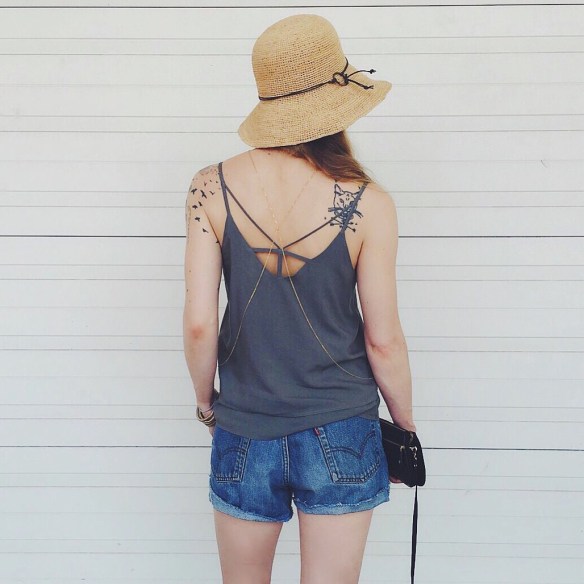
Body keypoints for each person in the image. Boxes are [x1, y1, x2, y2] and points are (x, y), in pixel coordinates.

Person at [183, 14, 417, 584]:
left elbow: (199, 324)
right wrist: (404, 428)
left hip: (244, 426)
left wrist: (208, 404)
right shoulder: (369, 203)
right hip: (343, 427)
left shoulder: (209, 187)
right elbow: (383, 340)